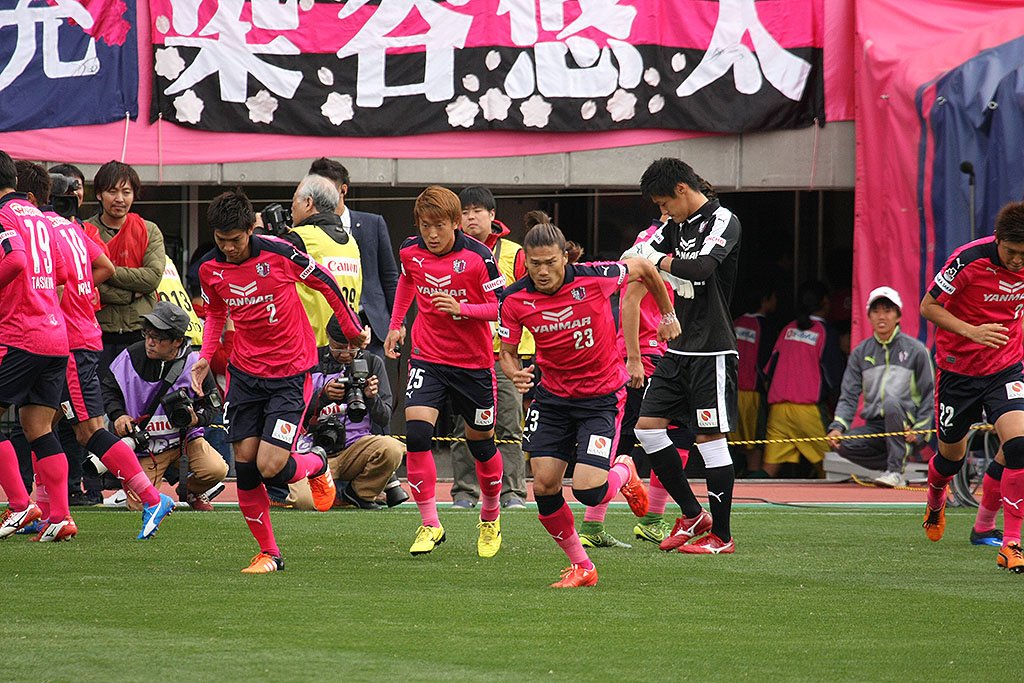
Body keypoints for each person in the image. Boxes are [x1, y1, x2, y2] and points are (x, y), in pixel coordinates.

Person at [498, 211, 680, 587]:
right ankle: (582, 566)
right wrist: (514, 371)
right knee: (544, 486)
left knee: (589, 490)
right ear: (525, 262)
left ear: (565, 257)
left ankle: (624, 470)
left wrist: (667, 313)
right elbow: (508, 352)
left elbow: (645, 268)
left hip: (600, 398)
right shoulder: (514, 300)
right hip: (552, 399)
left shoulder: (596, 277)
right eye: (535, 264)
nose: (543, 271)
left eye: (550, 262)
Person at [191, 190, 366, 574]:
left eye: (235, 240)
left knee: (271, 465)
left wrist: (352, 329)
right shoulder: (209, 269)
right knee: (246, 467)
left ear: (250, 230)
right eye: (221, 240)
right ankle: (269, 553)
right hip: (245, 375)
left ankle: (317, 463)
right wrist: (205, 356)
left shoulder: (281, 252)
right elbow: (216, 314)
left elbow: (326, 282)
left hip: (290, 374)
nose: (229, 248)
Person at [12, 160, 176, 540]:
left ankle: (151, 498)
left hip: (69, 340)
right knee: (39, 424)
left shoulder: (40, 231)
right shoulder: (71, 228)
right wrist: (80, 294)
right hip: (75, 336)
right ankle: (48, 511)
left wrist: (56, 301)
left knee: (88, 430)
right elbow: (103, 265)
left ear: (30, 197)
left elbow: (53, 283)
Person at [384, 186, 506, 558]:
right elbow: (407, 280)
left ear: (456, 223)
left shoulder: (479, 257)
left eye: (439, 226)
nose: (432, 234)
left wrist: (462, 309)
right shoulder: (410, 251)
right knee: (417, 435)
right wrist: (396, 325)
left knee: (481, 445)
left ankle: (490, 515)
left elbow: (502, 306)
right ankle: (430, 523)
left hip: (473, 365)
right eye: (425, 226)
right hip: (428, 358)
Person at [629, 157, 741, 555]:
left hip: (713, 348)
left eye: (664, 204)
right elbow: (633, 257)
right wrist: (649, 263)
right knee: (646, 428)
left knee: (709, 439)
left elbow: (702, 268)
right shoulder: (675, 226)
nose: (663, 213)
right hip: (677, 348)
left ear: (681, 189)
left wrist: (654, 261)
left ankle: (722, 537)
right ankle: (693, 514)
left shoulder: (723, 220)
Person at [920, 200, 1024, 573]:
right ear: (997, 240)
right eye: (1011, 252)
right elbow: (928, 306)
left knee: (1019, 446)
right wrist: (972, 332)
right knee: (951, 458)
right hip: (958, 371)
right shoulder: (968, 260)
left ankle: (1011, 544)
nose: (1017, 261)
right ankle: (936, 497)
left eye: (1023, 254)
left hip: (1005, 368)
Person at [612, 220, 695, 547]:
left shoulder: (673, 240)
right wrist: (633, 357)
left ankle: (643, 521)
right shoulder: (657, 243)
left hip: (658, 352)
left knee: (642, 434)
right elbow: (630, 301)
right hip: (646, 354)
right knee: (638, 436)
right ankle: (647, 519)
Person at [102, 301, 228, 511]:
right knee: (140, 505)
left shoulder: (195, 362)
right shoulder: (130, 356)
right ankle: (136, 490)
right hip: (146, 448)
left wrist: (197, 419)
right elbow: (108, 389)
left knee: (216, 470)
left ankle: (192, 490)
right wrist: (118, 415)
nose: (150, 343)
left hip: (185, 441)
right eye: (147, 335)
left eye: (158, 338)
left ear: (177, 341)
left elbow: (213, 404)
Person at [448, 186, 529, 512]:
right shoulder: (451, 252)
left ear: (492, 215)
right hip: (464, 355)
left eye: (477, 211)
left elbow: (530, 300)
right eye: (464, 213)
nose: (470, 218)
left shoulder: (515, 253)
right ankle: (464, 492)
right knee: (464, 426)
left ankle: (513, 493)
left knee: (509, 425)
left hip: (505, 357)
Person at [826, 286, 934, 487]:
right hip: (876, 426)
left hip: (906, 424)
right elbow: (849, 395)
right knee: (842, 445)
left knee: (891, 402)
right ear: (868, 316)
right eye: (875, 311)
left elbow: (930, 394)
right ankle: (895, 461)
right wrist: (837, 427)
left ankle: (895, 471)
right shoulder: (861, 352)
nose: (881, 316)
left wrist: (920, 430)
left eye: (888, 310)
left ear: (898, 316)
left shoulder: (916, 350)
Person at [299, 315, 405, 509]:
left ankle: (357, 494)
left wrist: (371, 397)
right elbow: (294, 412)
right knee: (305, 501)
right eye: (339, 347)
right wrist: (323, 396)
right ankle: (332, 493)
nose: (346, 353)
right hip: (314, 452)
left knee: (393, 448)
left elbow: (384, 418)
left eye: (352, 347)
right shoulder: (310, 360)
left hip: (356, 451)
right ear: (328, 336)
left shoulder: (372, 362)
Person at [309, 157, 399, 360]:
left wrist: (398, 322)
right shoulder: (307, 231)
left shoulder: (373, 223)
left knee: (373, 377)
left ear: (343, 190)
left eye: (326, 188)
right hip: (326, 328)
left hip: (370, 321)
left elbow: (389, 276)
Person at [86, 161, 166, 378]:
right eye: (112, 191)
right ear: (99, 194)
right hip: (98, 332)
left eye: (126, 192)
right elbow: (84, 282)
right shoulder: (84, 231)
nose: (120, 199)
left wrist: (106, 271)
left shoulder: (149, 230)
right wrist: (130, 294)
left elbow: (152, 278)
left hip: (140, 332)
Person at [761, 281, 832, 478]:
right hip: (807, 411)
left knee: (768, 470)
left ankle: (742, 494)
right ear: (824, 302)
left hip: (778, 410)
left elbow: (769, 370)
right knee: (832, 468)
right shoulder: (824, 331)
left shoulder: (787, 329)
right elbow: (834, 377)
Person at [283, 174, 363, 348]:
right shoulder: (351, 242)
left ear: (308, 203)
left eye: (295, 200)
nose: (291, 208)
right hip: (344, 347)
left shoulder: (299, 238)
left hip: (308, 348)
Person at [731, 284, 777, 477]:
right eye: (773, 297)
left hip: (731, 393)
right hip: (752, 395)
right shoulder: (765, 326)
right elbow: (766, 363)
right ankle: (753, 482)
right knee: (754, 447)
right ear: (765, 300)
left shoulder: (735, 322)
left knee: (733, 445)